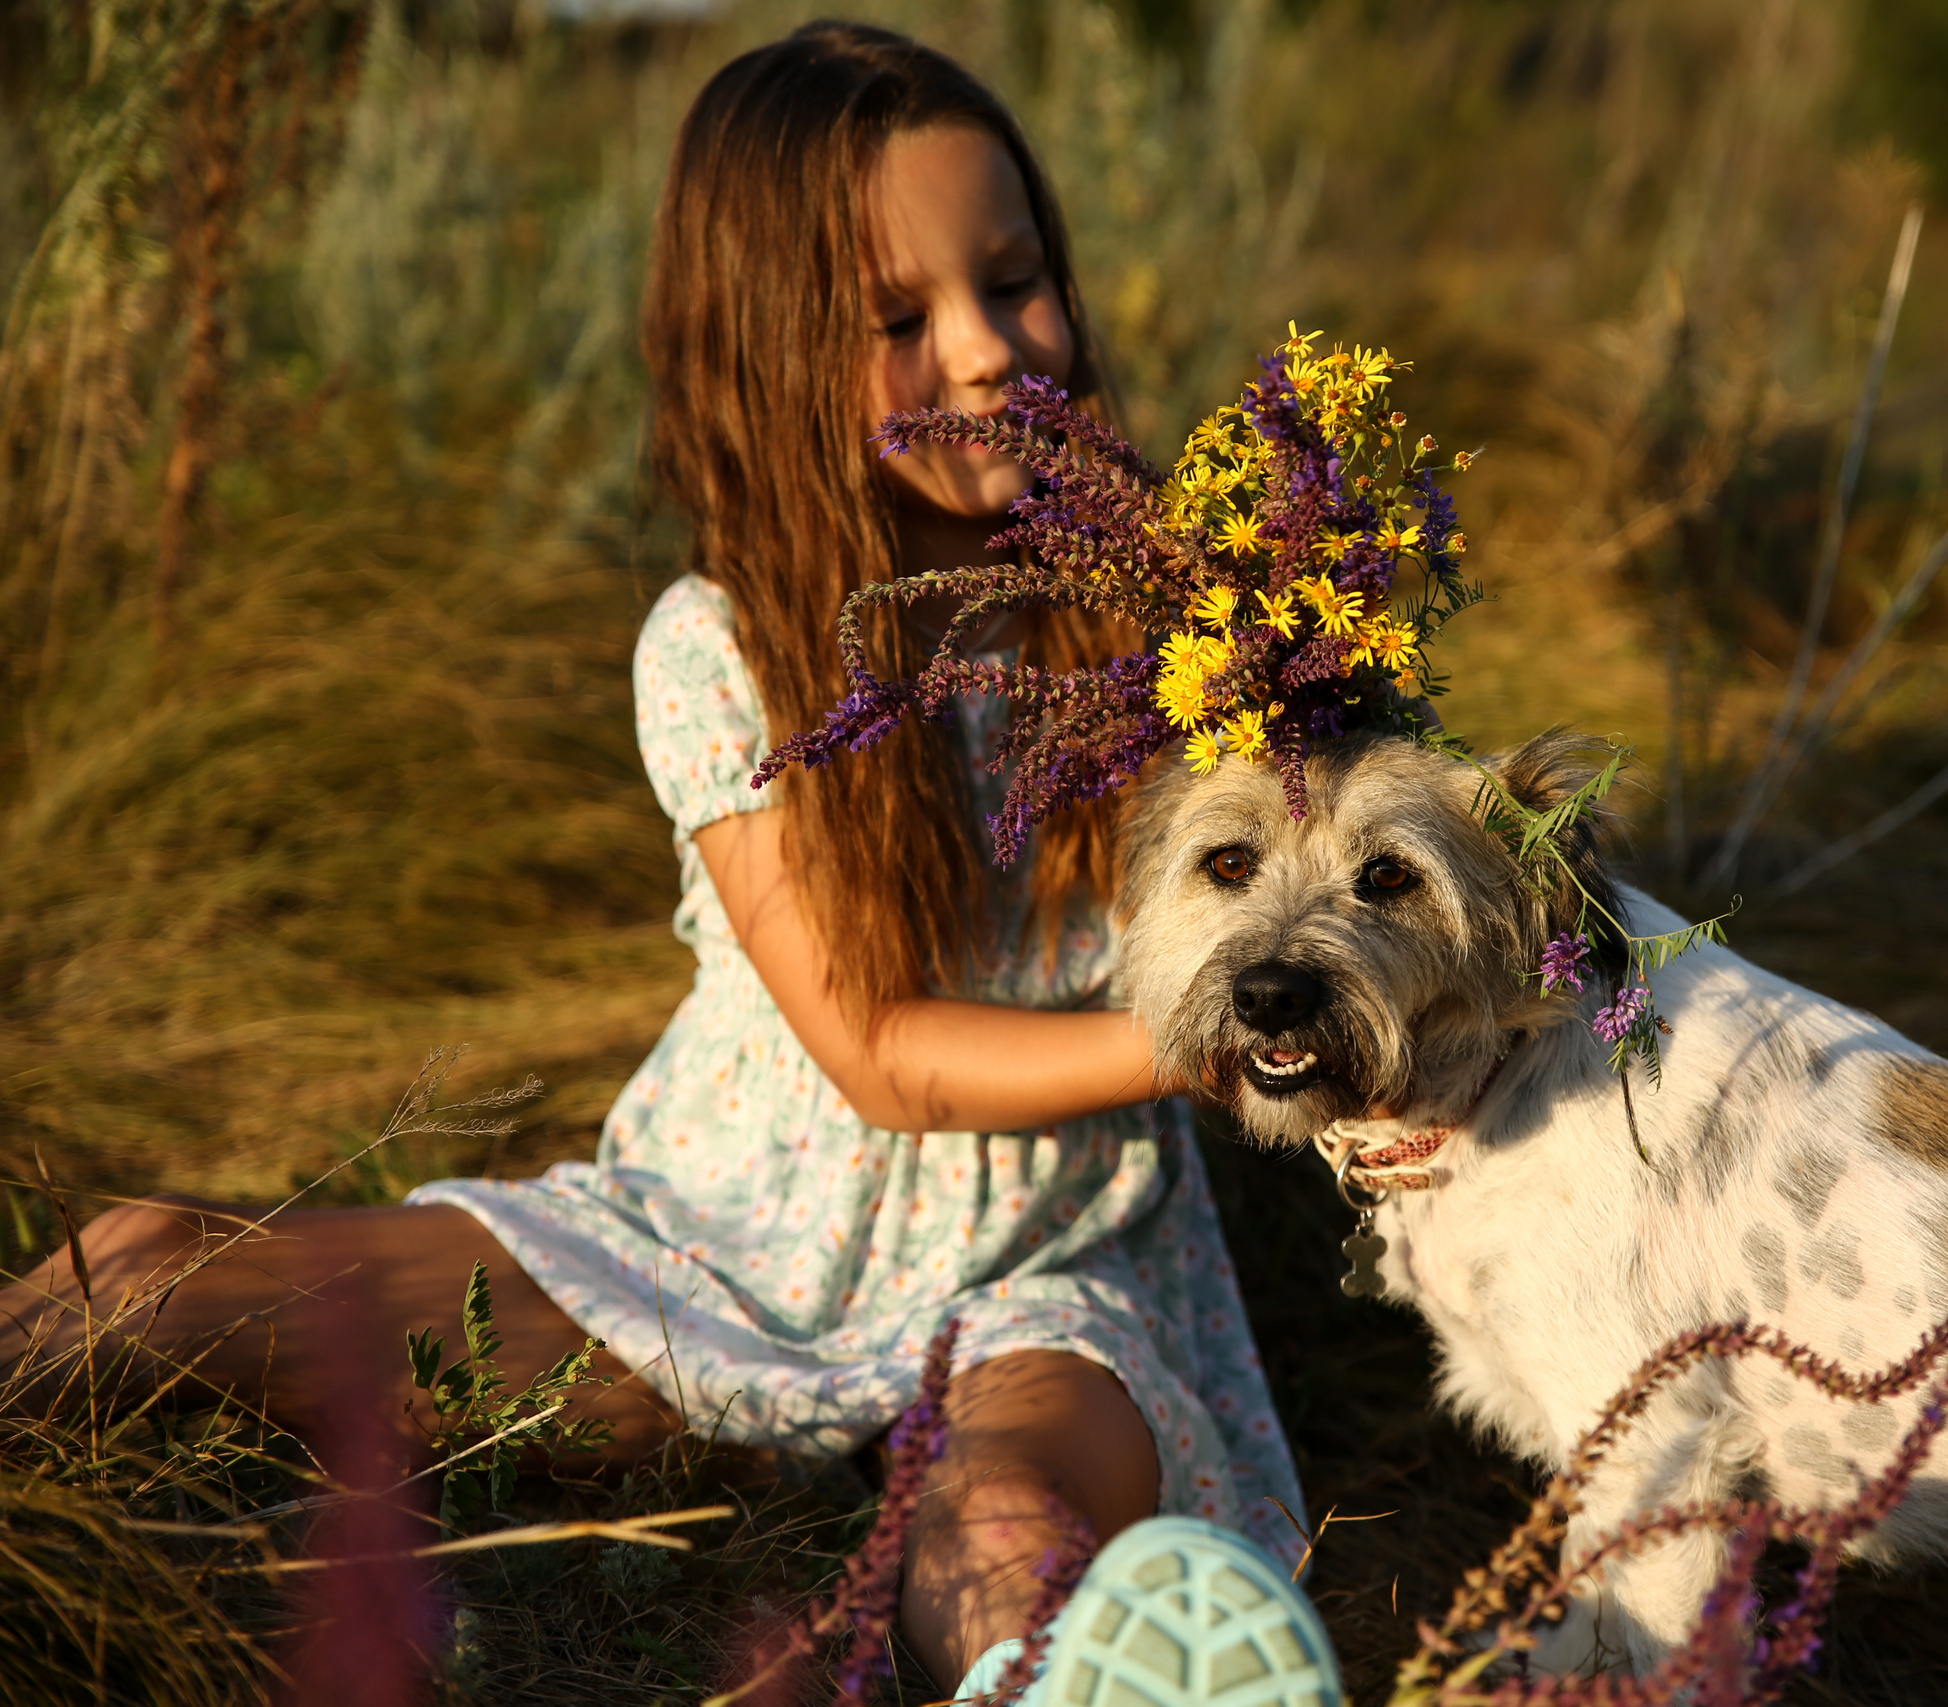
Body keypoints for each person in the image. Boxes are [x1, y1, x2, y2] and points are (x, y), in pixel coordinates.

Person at [0, 24, 1328, 1703]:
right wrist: (1225, 1038)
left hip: (1054, 1255)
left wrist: (1321, 695)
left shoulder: (1168, 611)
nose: (992, 352)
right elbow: (881, 1055)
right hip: (731, 1234)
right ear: (771, 357)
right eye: (900, 323)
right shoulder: (725, 651)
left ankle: (1068, 1685)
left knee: (1006, 1513)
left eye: (1016, 280)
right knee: (159, 1275)